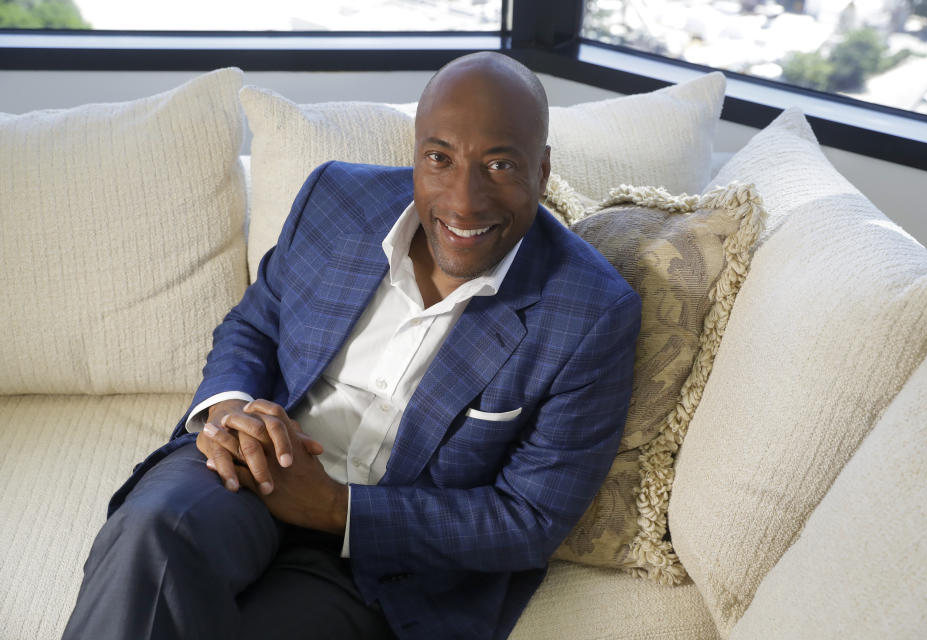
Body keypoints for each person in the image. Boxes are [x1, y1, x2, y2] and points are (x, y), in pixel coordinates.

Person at [62, 51, 642, 640]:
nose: (464, 200)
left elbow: (528, 518)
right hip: (256, 463)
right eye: (439, 159)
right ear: (415, 155)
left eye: (499, 166)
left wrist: (337, 508)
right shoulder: (335, 199)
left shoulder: (591, 312)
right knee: (149, 534)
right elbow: (255, 327)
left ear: (541, 171)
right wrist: (230, 410)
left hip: (387, 553)